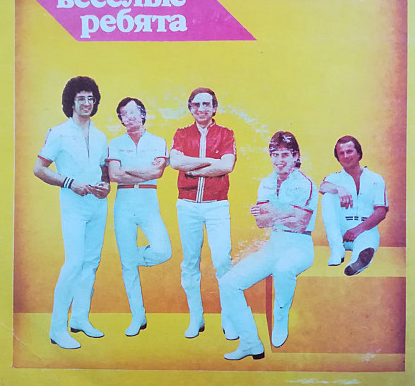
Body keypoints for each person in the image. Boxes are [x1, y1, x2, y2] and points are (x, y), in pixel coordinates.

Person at [220, 131, 317, 360]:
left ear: (296, 156)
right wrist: (286, 212)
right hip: (274, 245)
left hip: (300, 246)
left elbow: (300, 224)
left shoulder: (305, 183)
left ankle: (280, 316)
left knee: (283, 269)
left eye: (285, 155)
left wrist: (274, 211)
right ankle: (251, 343)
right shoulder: (266, 182)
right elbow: (261, 222)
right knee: (228, 282)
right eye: (275, 154)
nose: (279, 160)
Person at [33, 76, 110, 349]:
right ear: (71, 102)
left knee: (91, 263)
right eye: (81, 98)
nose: (87, 103)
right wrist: (69, 182)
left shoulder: (100, 136)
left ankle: (79, 318)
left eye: (91, 98)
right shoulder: (59, 133)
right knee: (74, 263)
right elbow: (39, 169)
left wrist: (105, 186)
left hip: (97, 206)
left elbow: (104, 170)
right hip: (74, 207)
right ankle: (57, 329)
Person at [170, 87, 237, 339]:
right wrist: (210, 162)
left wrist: (193, 169)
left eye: (206, 104)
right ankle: (196, 318)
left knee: (222, 261)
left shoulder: (226, 134)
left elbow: (227, 165)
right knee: (190, 263)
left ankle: (228, 319)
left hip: (217, 205)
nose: (201, 109)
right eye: (196, 105)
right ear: (190, 108)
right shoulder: (181, 133)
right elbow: (176, 162)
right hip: (187, 205)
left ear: (214, 107)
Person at [107, 97, 172, 337]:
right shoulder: (115, 143)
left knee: (163, 250)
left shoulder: (158, 141)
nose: (129, 117)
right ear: (121, 119)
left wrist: (127, 169)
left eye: (133, 112)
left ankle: (129, 258)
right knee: (128, 268)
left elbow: (157, 172)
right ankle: (138, 316)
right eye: (124, 114)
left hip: (148, 201)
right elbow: (114, 175)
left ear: (143, 114)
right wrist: (142, 171)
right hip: (123, 203)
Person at [319, 135, 388, 276]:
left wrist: (357, 230)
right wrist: (338, 189)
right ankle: (337, 250)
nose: (345, 156)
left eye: (349, 151)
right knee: (327, 197)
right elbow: (322, 187)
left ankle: (356, 262)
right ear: (338, 158)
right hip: (339, 233)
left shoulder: (375, 179)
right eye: (341, 153)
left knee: (365, 247)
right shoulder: (334, 178)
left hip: (365, 230)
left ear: (359, 154)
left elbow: (381, 212)